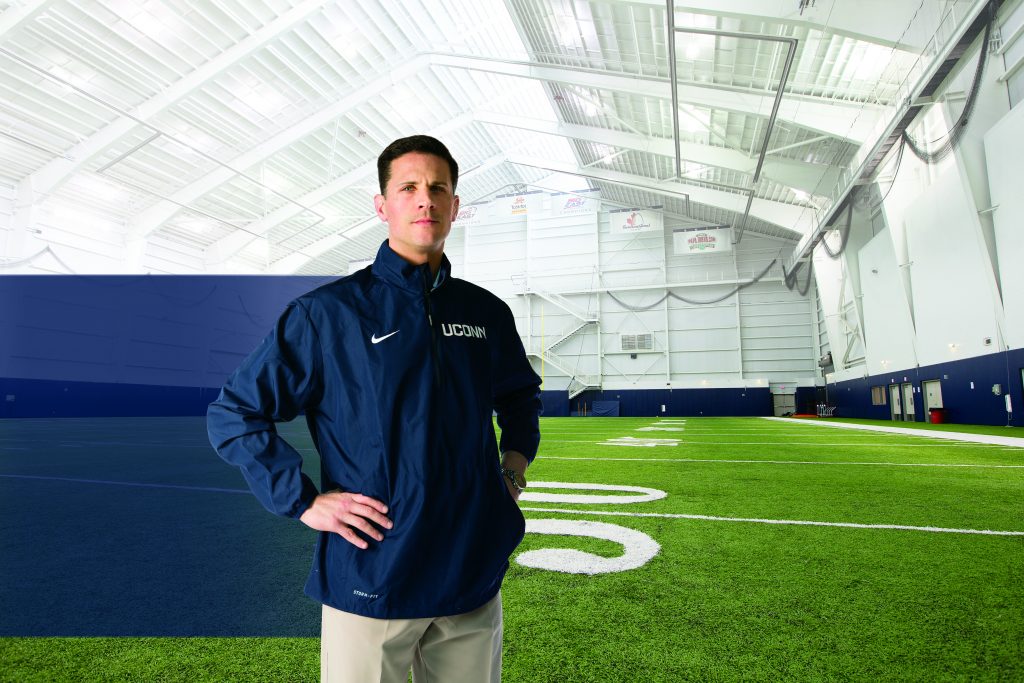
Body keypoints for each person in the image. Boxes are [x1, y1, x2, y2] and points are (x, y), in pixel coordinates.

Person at [207, 134, 542, 683]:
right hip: (373, 571)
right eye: (408, 187)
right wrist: (304, 501)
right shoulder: (327, 315)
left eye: (438, 189)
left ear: (455, 206)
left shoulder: (485, 312)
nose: (425, 200)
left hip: (471, 573)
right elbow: (235, 412)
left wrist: (512, 472)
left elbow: (520, 395)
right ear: (382, 205)